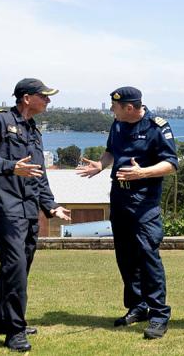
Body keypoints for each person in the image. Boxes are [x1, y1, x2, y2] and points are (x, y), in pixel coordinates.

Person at [0, 78, 71, 352]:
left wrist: (51, 206)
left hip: (28, 209)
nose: (48, 100)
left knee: (17, 267)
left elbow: (39, 176)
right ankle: (15, 330)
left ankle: (1, 321)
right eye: (44, 96)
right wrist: (10, 166)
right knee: (15, 266)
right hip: (4, 206)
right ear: (27, 98)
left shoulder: (33, 131)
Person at [76, 87, 177, 340]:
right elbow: (111, 150)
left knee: (147, 255)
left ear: (130, 108)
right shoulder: (118, 124)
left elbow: (171, 163)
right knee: (125, 255)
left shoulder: (157, 126)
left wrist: (142, 172)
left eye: (115, 107)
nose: (112, 110)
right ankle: (138, 306)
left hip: (143, 201)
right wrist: (101, 164)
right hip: (119, 197)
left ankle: (158, 314)